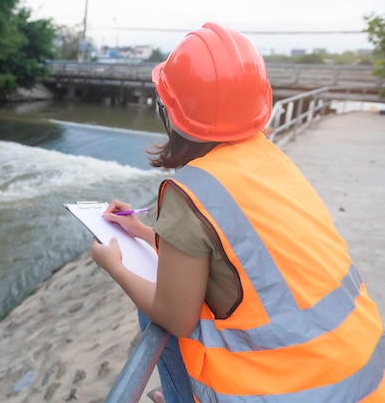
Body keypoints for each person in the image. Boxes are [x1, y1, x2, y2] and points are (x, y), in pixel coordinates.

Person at [91, 22, 385, 403]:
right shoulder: (268, 158)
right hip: (365, 374)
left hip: (292, 393)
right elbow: (240, 253)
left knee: (154, 318)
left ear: (171, 110)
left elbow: (176, 316)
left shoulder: (190, 190)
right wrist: (143, 231)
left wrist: (113, 264)